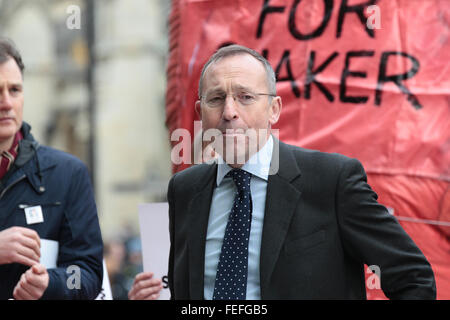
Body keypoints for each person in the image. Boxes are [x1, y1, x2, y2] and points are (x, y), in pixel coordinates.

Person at [166, 44, 436, 299]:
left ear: (274, 109)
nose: (229, 111)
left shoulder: (332, 181)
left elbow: (414, 280)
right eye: (216, 99)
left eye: (245, 97)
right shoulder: (184, 190)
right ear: (201, 113)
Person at [0, 38, 103, 300]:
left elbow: (87, 273)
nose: (7, 103)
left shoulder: (67, 173)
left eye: (14, 90)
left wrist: (51, 283)